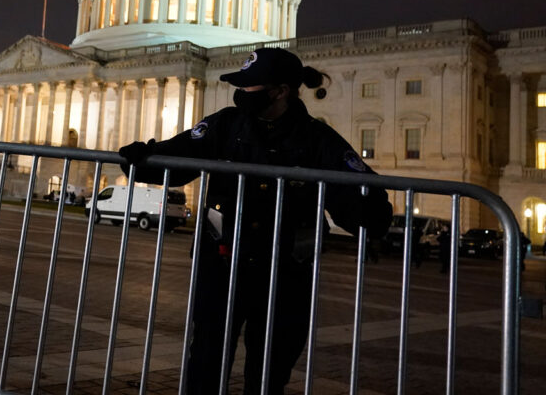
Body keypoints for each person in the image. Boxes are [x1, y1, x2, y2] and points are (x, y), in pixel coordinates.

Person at [118, 47, 392, 395]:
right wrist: (142, 159)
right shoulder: (226, 125)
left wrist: (368, 214)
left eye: (250, 86)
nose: (241, 93)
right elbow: (180, 156)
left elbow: (360, 198)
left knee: (269, 373)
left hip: (284, 273)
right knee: (205, 363)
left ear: (281, 91)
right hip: (222, 264)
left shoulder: (318, 141)